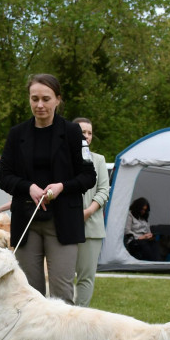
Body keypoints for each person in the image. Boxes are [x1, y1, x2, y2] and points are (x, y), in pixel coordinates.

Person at [0, 74, 96, 303]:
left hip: (63, 222)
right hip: (27, 220)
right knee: (29, 293)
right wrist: (27, 186)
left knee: (62, 292)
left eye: (46, 99)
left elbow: (88, 176)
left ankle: (66, 339)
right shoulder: (17, 134)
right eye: (35, 99)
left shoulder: (73, 133)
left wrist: (62, 186)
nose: (40, 105)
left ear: (58, 100)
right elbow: (4, 177)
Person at [72, 117, 109, 306]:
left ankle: (80, 317)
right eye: (82, 132)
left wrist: (88, 211)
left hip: (92, 227)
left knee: (86, 277)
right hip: (65, 226)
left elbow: (104, 190)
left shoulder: (99, 160)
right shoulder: (63, 158)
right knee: (64, 276)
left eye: (89, 132)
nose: (86, 136)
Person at [125, 197, 161, 261]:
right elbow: (127, 231)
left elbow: (148, 231)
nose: (143, 212)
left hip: (145, 239)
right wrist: (139, 237)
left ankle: (157, 262)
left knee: (154, 243)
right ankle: (151, 262)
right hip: (134, 240)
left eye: (145, 210)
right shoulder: (130, 215)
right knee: (144, 245)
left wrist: (150, 235)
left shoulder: (144, 218)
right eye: (142, 209)